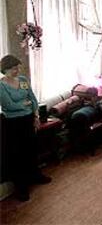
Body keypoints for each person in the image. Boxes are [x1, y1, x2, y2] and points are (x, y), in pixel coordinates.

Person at [0, 55, 51, 201]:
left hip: (28, 119)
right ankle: (21, 187)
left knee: (32, 148)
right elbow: (8, 105)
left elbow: (33, 99)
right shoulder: (1, 85)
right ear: (6, 69)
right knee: (17, 155)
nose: (17, 70)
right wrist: (25, 104)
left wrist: (36, 117)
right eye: (14, 68)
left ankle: (35, 175)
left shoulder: (23, 80)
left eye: (17, 67)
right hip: (13, 123)